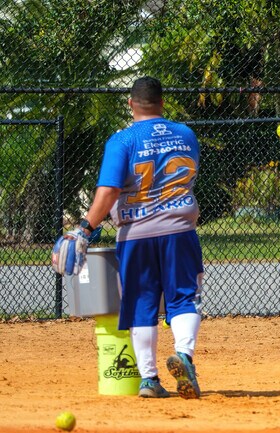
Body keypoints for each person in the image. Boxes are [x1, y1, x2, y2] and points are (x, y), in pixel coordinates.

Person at [53, 77, 204, 398]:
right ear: (163, 102)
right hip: (180, 231)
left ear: (131, 104)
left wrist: (84, 229)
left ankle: (149, 379)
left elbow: (108, 191)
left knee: (141, 303)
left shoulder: (122, 141)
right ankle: (185, 357)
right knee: (182, 299)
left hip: (136, 235)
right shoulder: (186, 135)